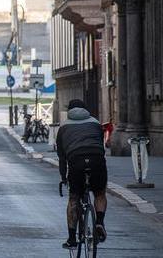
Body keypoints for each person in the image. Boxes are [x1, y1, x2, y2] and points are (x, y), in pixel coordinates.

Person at [56, 99, 108, 249]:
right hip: (96, 159)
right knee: (99, 194)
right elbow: (101, 145)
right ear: (86, 110)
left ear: (69, 111)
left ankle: (72, 239)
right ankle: (99, 222)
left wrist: (63, 177)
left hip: (76, 162)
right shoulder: (96, 123)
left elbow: (62, 157)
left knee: (74, 199)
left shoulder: (64, 127)